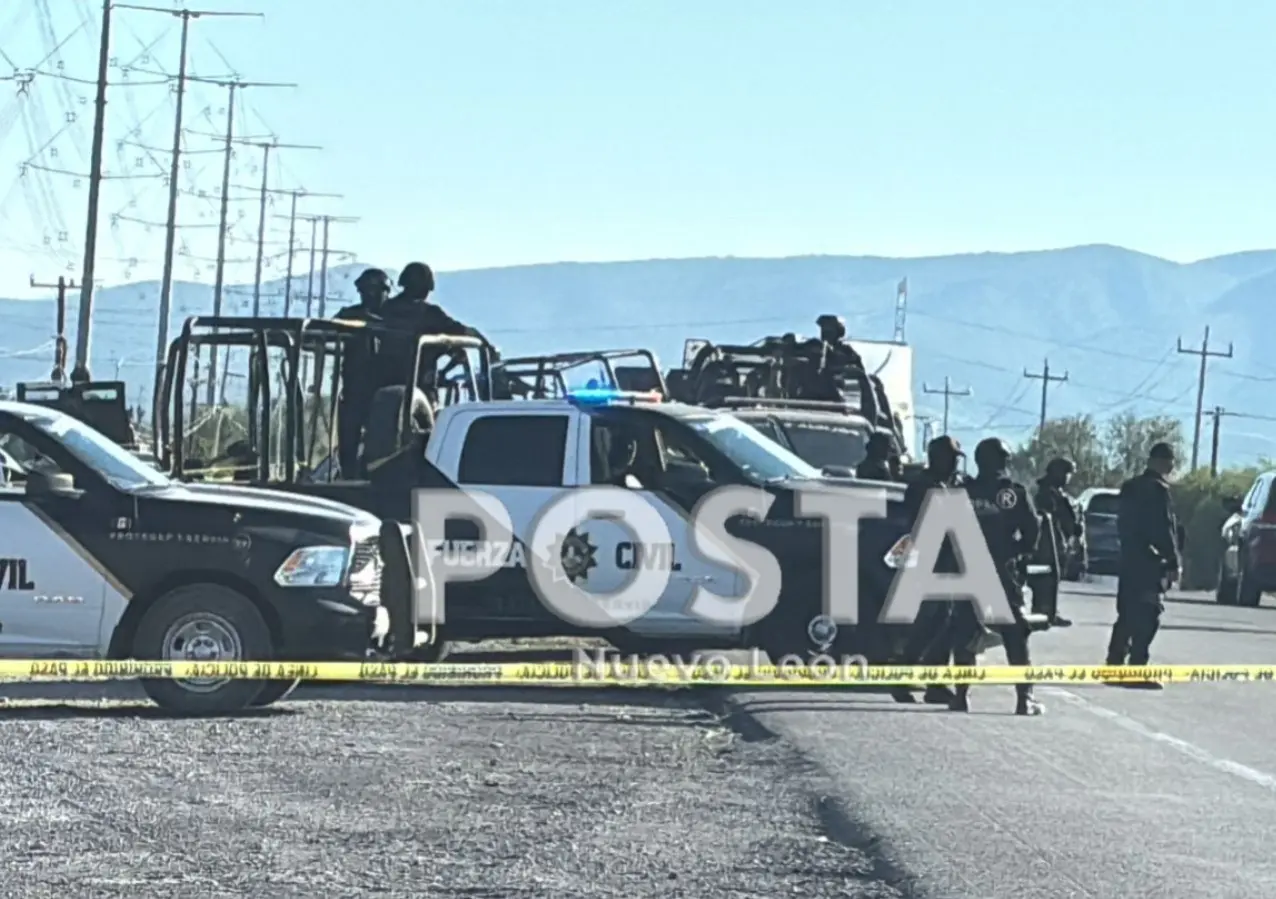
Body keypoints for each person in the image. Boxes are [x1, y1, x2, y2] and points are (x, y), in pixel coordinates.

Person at [951, 437, 1044, 715]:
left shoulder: (964, 491)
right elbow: (1032, 533)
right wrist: (1015, 553)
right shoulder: (1012, 492)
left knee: (964, 632)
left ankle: (961, 696)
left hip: (967, 569)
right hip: (1002, 571)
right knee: (1016, 633)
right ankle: (1023, 697)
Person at [890, 435, 966, 704]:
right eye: (951, 458)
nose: (955, 464)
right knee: (928, 621)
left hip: (947, 560)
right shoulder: (922, 486)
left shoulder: (951, 485)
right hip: (927, 560)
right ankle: (903, 675)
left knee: (945, 622)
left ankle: (935, 682)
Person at [1105, 442, 1179, 687]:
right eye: (1170, 462)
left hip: (1128, 558)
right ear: (1162, 462)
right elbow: (1163, 528)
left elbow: (1123, 524)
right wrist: (1172, 559)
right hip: (1150, 560)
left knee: (1126, 612)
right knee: (1149, 613)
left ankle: (1114, 664)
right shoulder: (1158, 490)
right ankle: (1136, 667)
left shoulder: (1130, 487)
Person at [333, 268, 391, 476]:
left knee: (383, 444)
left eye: (375, 291)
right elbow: (328, 330)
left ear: (386, 291)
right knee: (348, 441)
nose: (369, 296)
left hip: (387, 393)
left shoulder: (396, 316)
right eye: (365, 291)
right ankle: (349, 475)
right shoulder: (350, 316)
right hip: (354, 390)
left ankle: (373, 475)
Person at [1030, 457, 1079, 627]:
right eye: (1067, 473)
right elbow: (1049, 519)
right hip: (1047, 544)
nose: (1068, 478)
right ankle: (1042, 612)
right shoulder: (1046, 494)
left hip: (1059, 542)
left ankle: (1050, 611)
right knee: (1045, 578)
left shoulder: (1057, 493)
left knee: (1053, 578)